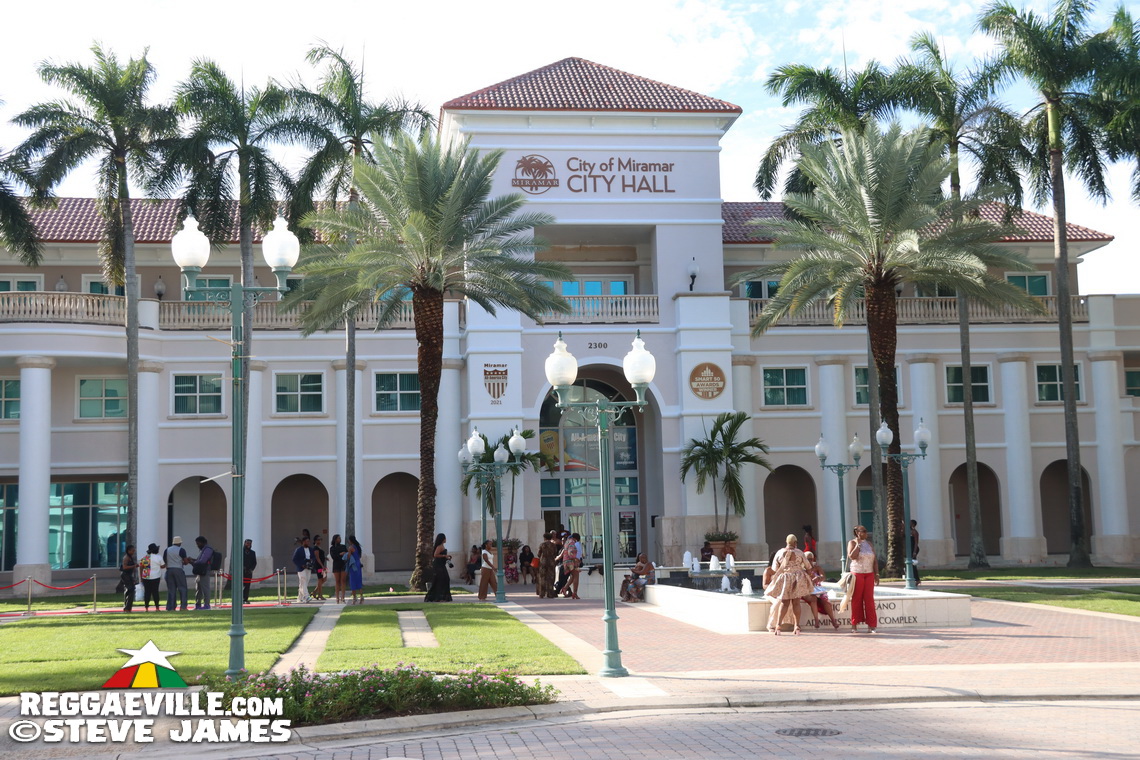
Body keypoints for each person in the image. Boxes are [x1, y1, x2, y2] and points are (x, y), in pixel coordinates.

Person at [766, 533, 813, 635]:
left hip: (786, 578)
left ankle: (778, 626)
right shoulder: (800, 553)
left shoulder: (780, 552)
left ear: (786, 542)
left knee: (784, 603)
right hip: (797, 578)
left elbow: (774, 568)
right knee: (796, 602)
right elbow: (808, 567)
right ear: (795, 543)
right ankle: (797, 626)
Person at [847, 526, 879, 633]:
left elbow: (874, 560)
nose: (866, 533)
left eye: (866, 531)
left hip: (869, 573)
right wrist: (857, 545)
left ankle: (872, 625)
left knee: (869, 599)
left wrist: (877, 574)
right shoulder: (852, 543)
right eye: (864, 531)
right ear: (857, 532)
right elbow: (852, 556)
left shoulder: (869, 544)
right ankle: (854, 624)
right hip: (857, 573)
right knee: (857, 599)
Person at [804, 551, 840, 630]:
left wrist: (819, 578)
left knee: (825, 600)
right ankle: (816, 620)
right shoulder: (802, 568)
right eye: (808, 559)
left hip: (817, 589)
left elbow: (823, 576)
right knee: (813, 599)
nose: (810, 561)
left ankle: (833, 621)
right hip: (807, 590)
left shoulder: (817, 568)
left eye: (811, 559)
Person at [424, 533, 453, 602]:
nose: (446, 539)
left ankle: (442, 596)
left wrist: (447, 557)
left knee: (444, 580)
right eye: (445, 538)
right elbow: (435, 555)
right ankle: (436, 596)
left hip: (442, 565)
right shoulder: (439, 546)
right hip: (438, 566)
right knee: (441, 580)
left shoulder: (442, 546)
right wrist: (444, 556)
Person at [163, 537, 189, 611]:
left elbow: (165, 560)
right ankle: (183, 607)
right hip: (178, 569)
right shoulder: (181, 550)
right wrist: (184, 562)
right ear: (180, 543)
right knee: (182, 588)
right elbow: (186, 561)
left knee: (171, 590)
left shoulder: (167, 550)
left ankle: (171, 607)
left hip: (169, 570)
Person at [189, 536, 215, 610]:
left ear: (202, 542)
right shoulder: (203, 550)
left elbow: (203, 561)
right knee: (198, 589)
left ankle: (207, 605)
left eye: (198, 543)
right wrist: (192, 560)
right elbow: (199, 560)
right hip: (200, 572)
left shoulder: (208, 549)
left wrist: (192, 562)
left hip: (204, 571)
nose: (197, 545)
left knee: (205, 588)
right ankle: (198, 604)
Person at [140, 543, 163, 611]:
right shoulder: (159, 557)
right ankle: (157, 607)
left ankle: (146, 607)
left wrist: (141, 577)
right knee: (155, 592)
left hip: (146, 577)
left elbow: (141, 567)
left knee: (147, 592)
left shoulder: (144, 558)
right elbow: (162, 566)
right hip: (156, 577)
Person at [559, 533, 582, 599]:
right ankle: (575, 593)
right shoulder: (572, 542)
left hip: (566, 561)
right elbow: (571, 553)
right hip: (571, 562)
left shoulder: (567, 542)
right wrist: (576, 559)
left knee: (572, 576)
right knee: (576, 576)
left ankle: (565, 588)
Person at [292, 535, 314, 603]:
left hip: (308, 568)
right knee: (303, 580)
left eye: (309, 541)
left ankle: (300, 598)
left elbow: (313, 557)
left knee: (304, 583)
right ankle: (306, 596)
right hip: (301, 568)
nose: (308, 543)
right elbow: (294, 559)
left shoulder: (310, 549)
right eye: (307, 541)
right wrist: (302, 565)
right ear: (303, 542)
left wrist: (311, 561)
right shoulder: (299, 550)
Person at [536, 532, 558, 598]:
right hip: (551, 562)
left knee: (542, 577)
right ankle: (550, 593)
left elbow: (538, 554)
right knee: (551, 578)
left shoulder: (542, 544)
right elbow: (555, 553)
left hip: (543, 562)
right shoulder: (553, 545)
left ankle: (542, 593)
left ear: (544, 537)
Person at [346, 535, 364, 604]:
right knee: (359, 580)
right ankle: (361, 596)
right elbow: (359, 556)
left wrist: (345, 554)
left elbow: (348, 557)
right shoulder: (358, 547)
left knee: (353, 581)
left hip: (353, 565)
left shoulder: (351, 547)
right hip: (358, 564)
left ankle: (354, 598)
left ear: (350, 540)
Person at [329, 534, 347, 604]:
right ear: (335, 539)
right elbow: (334, 557)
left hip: (343, 564)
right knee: (337, 581)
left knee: (343, 580)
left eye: (340, 538)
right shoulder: (332, 548)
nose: (340, 539)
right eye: (338, 538)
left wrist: (344, 553)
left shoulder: (343, 546)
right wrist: (340, 554)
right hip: (336, 565)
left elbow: (347, 553)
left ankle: (343, 597)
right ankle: (337, 597)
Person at [120, 544, 138, 612]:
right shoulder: (126, 557)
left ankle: (127, 606)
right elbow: (124, 567)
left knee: (129, 590)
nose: (133, 552)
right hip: (125, 575)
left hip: (129, 575)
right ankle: (127, 607)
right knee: (131, 589)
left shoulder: (130, 557)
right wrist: (133, 566)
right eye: (132, 551)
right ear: (128, 550)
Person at [312, 534, 328, 600]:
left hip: (322, 565)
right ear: (315, 540)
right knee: (320, 579)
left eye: (320, 539)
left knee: (324, 578)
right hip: (319, 566)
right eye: (318, 539)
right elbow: (317, 558)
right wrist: (322, 566)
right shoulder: (315, 548)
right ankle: (320, 595)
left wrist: (325, 558)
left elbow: (321, 556)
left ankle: (315, 591)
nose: (319, 541)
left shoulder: (319, 547)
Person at [242, 539, 257, 604]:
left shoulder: (252, 553)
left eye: (250, 544)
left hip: (249, 572)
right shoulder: (240, 552)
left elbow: (254, 562)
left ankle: (245, 598)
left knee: (247, 586)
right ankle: (240, 598)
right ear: (245, 543)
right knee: (241, 586)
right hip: (241, 572)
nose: (248, 545)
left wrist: (251, 569)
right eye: (247, 543)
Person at [910, 519, 922, 586]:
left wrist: (914, 552)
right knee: (910, 564)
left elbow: (916, 543)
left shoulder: (914, 532)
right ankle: (913, 578)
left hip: (914, 549)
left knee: (913, 564)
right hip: (909, 549)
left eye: (910, 523)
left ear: (913, 524)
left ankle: (917, 579)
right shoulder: (908, 531)